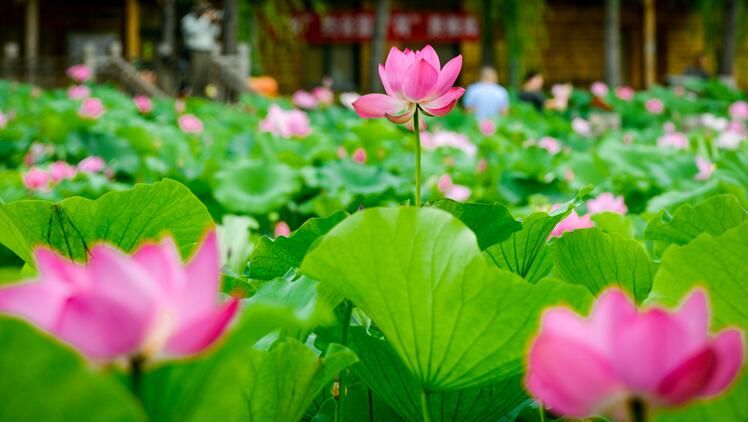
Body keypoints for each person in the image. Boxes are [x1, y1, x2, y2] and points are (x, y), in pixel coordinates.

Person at [181, 2, 221, 96]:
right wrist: (205, 19)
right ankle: (193, 95)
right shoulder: (188, 19)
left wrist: (215, 23)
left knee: (206, 77)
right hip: (195, 51)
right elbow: (194, 32)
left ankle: (203, 96)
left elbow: (214, 34)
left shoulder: (206, 21)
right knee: (195, 76)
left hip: (207, 51)